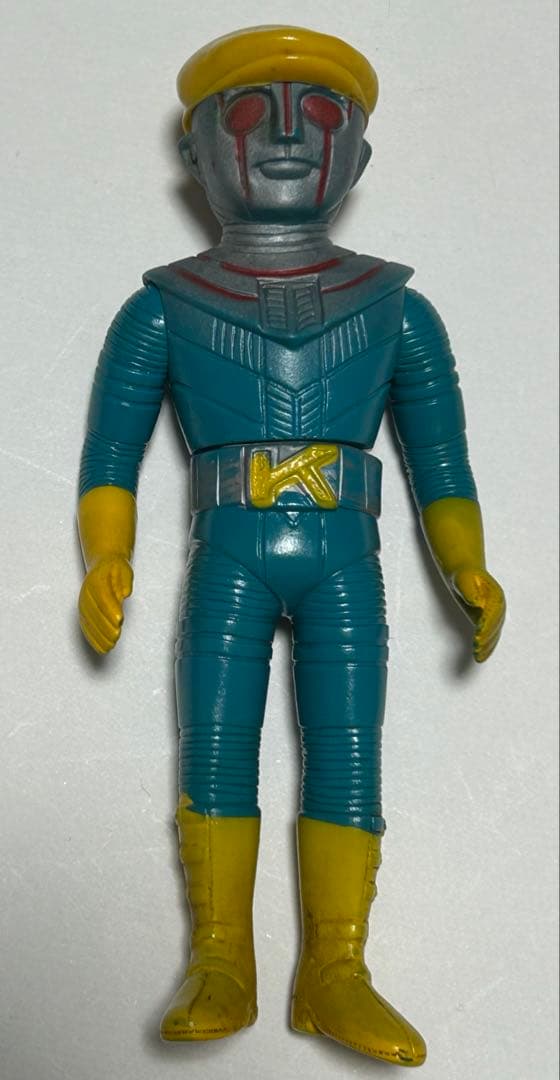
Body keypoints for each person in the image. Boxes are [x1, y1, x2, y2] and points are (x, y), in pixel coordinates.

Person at [77, 25, 505, 1067]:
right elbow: (110, 460)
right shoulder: (162, 308)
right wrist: (106, 557)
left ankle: (337, 967)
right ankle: (220, 958)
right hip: (225, 552)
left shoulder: (397, 310)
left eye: (317, 112)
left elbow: (442, 467)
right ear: (196, 153)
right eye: (245, 109)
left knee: (348, 753)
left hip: (345, 562)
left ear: (357, 155)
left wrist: (466, 565)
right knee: (216, 746)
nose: (282, 132)